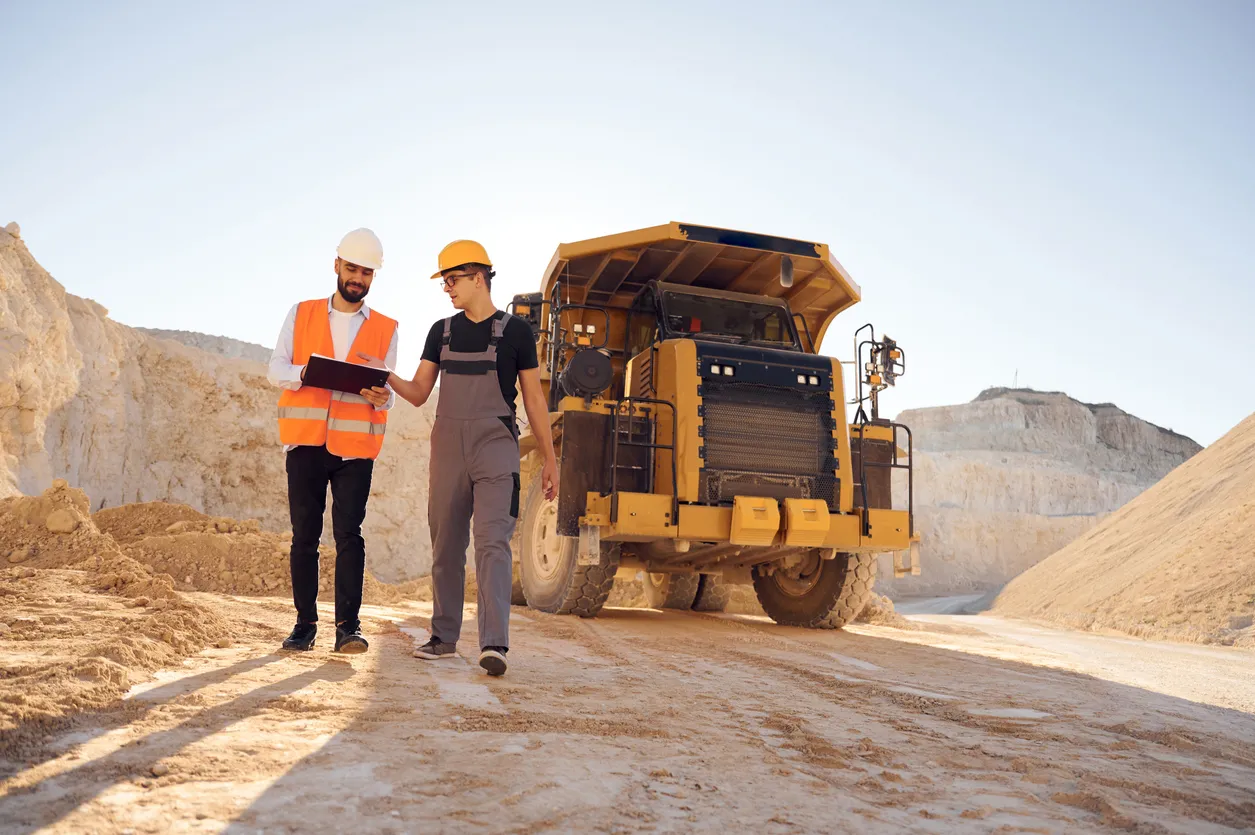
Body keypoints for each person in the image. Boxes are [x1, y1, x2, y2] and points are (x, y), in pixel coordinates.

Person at [367, 240, 557, 676]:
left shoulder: (515, 332)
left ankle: (494, 645)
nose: (447, 288)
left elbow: (533, 399)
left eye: (452, 280)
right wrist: (385, 376)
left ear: (478, 277)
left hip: (496, 448)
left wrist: (550, 460)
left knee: (492, 543)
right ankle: (443, 637)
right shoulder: (441, 331)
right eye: (444, 282)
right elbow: (418, 394)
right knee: (446, 544)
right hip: (447, 447)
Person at [267, 228, 399, 654]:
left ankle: (349, 628)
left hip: (355, 448)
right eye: (352, 268)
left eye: (366, 272)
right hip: (305, 441)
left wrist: (385, 397)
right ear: (337, 265)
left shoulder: (385, 328)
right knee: (304, 535)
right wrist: (306, 373)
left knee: (349, 535)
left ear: (373, 277)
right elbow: (276, 369)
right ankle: (305, 625)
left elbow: (387, 390)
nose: (358, 277)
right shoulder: (301, 313)